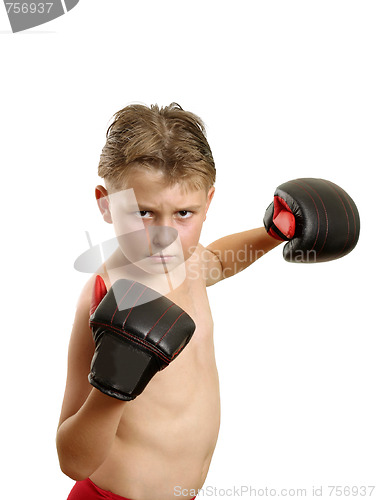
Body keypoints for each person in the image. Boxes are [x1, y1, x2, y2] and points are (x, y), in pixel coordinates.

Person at [56, 103, 359, 500]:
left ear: (209, 202)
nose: (164, 236)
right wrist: (113, 388)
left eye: (184, 213)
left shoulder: (188, 261)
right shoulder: (105, 296)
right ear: (106, 203)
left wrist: (273, 233)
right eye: (143, 213)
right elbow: (72, 461)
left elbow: (216, 259)